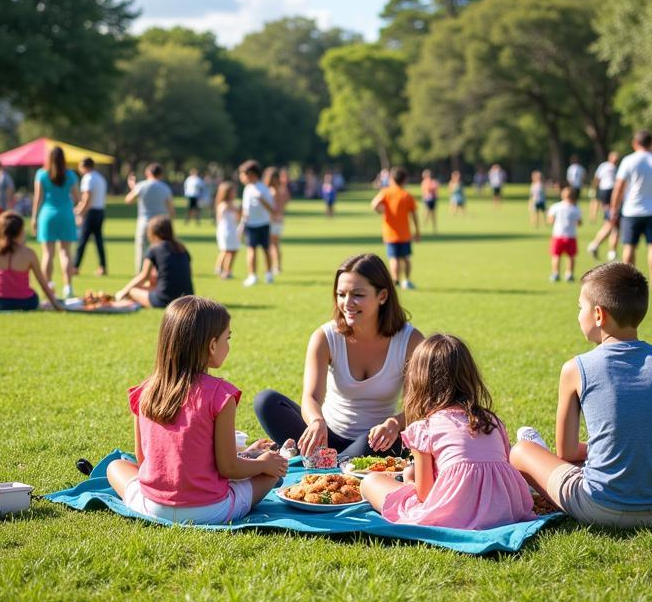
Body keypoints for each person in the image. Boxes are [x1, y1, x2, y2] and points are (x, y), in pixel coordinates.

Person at [509, 262, 652, 529]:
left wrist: (599, 448)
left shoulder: (575, 368)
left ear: (598, 315)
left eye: (580, 308)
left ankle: (546, 484)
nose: (578, 315)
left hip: (598, 506)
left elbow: (566, 450)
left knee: (521, 450)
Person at [106, 296, 288, 523]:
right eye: (227, 338)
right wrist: (262, 464)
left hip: (151, 507)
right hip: (211, 511)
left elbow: (144, 463)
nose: (228, 345)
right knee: (272, 472)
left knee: (115, 466)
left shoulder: (145, 391)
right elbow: (229, 468)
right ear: (212, 345)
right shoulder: (221, 394)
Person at [253, 253, 424, 461]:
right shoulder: (325, 337)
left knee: (385, 442)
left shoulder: (410, 340)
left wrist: (394, 424)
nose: (347, 303)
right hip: (326, 437)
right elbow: (311, 397)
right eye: (341, 294)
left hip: (377, 442)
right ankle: (333, 462)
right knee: (266, 401)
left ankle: (327, 464)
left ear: (383, 296)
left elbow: (418, 406)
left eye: (358, 295)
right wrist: (316, 421)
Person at [361, 335, 535, 529]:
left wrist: (410, 481)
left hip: (451, 517)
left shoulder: (425, 428)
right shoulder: (492, 421)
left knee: (370, 481)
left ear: (419, 381)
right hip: (505, 510)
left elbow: (425, 495)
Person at [0, 211, 64, 312]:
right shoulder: (29, 254)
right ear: (20, 231)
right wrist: (56, 305)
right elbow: (42, 282)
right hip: (27, 303)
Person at [609, 130, 652, 289]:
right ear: (651, 143)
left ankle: (628, 281)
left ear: (635, 143)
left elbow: (619, 188)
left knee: (629, 246)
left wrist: (613, 209)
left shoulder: (628, 161)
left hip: (631, 210)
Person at [115, 216, 193, 309]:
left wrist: (124, 291)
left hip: (165, 300)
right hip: (187, 300)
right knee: (151, 284)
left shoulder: (154, 249)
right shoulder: (182, 248)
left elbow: (144, 276)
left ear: (152, 232)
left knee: (133, 291)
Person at [32, 145, 79, 299]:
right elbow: (77, 198)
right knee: (65, 252)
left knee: (48, 254)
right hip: (66, 214)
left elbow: (38, 198)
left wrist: (34, 218)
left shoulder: (41, 174)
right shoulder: (71, 175)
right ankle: (68, 287)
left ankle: (48, 285)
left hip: (47, 215)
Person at [372, 167, 420, 290]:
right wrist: (417, 231)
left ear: (392, 179)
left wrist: (382, 211)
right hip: (405, 233)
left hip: (389, 232)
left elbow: (374, 205)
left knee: (394, 259)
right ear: (405, 180)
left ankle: (395, 280)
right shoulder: (407, 195)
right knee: (406, 258)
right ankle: (407, 281)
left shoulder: (386, 192)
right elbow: (414, 215)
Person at [126, 163, 176, 272]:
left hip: (144, 222)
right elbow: (171, 210)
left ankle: (140, 274)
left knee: (141, 250)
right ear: (161, 174)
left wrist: (133, 187)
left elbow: (128, 200)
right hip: (161, 224)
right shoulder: (165, 188)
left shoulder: (141, 186)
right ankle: (159, 272)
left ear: (148, 173)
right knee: (161, 249)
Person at [238, 159, 276, 286]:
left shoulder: (263, 189)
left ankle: (269, 274)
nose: (241, 177)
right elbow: (245, 210)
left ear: (252, 174)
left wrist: (261, 199)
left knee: (266, 249)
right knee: (251, 249)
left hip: (263, 224)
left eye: (244, 174)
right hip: (251, 225)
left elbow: (272, 209)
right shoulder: (247, 189)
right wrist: (241, 225)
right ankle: (252, 275)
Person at [74, 157, 108, 277]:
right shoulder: (100, 178)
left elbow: (87, 198)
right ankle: (103, 267)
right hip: (100, 211)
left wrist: (80, 213)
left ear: (84, 166)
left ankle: (75, 266)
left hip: (91, 213)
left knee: (82, 241)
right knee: (98, 241)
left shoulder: (88, 178)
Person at [548, 186, 582, 282]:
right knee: (571, 256)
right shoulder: (576, 209)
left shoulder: (555, 206)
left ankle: (555, 274)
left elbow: (550, 220)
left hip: (558, 235)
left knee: (556, 255)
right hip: (571, 235)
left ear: (562, 195)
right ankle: (569, 274)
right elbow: (579, 223)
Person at [265, 166, 290, 275]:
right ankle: (277, 266)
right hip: (279, 220)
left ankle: (274, 266)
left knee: (272, 245)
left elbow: (272, 208)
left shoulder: (272, 191)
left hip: (272, 220)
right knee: (275, 244)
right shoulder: (281, 190)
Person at [214, 180, 241, 280]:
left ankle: (222, 269)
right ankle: (225, 271)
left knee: (228, 251)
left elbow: (238, 218)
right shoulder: (224, 204)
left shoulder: (230, 204)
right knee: (229, 251)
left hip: (232, 229)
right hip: (227, 230)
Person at [590, 151, 619, 222]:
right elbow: (597, 178)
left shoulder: (613, 167)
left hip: (609, 189)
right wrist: (594, 187)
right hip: (606, 188)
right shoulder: (605, 166)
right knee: (606, 206)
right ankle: (608, 219)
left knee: (607, 206)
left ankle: (608, 219)